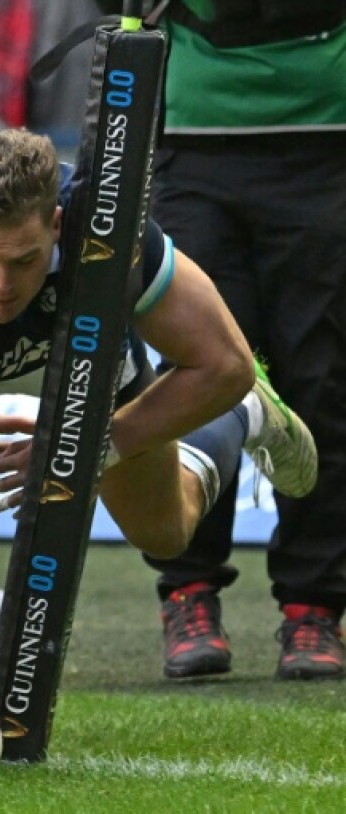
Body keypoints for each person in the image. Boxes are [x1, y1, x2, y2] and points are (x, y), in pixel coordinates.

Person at [0, 128, 318, 713]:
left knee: (164, 534)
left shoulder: (108, 231)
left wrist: (86, 448)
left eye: (24, 259)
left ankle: (246, 418)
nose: (2, 286)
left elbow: (224, 363)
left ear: (57, 225)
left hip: (75, 344)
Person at [107, 0, 346, 682]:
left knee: (322, 380)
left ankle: (314, 608)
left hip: (327, 136)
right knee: (195, 371)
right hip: (192, 138)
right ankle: (188, 593)